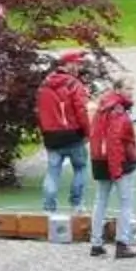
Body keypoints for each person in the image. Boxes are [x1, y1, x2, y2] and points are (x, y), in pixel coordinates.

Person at [87, 74, 136, 257]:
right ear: (118, 90)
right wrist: (116, 170)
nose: (131, 92)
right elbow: (115, 142)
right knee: (126, 202)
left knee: (100, 200)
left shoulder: (103, 107)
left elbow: (96, 136)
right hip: (119, 162)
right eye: (128, 88)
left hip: (101, 160)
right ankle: (122, 244)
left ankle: (96, 243)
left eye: (132, 88)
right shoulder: (118, 111)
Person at [36, 50, 92, 219]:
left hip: (51, 135)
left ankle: (48, 207)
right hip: (73, 134)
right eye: (77, 63)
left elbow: (39, 112)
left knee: (53, 171)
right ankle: (76, 205)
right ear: (68, 64)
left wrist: (44, 131)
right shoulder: (74, 85)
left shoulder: (44, 85)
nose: (79, 66)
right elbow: (81, 111)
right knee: (80, 168)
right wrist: (88, 132)